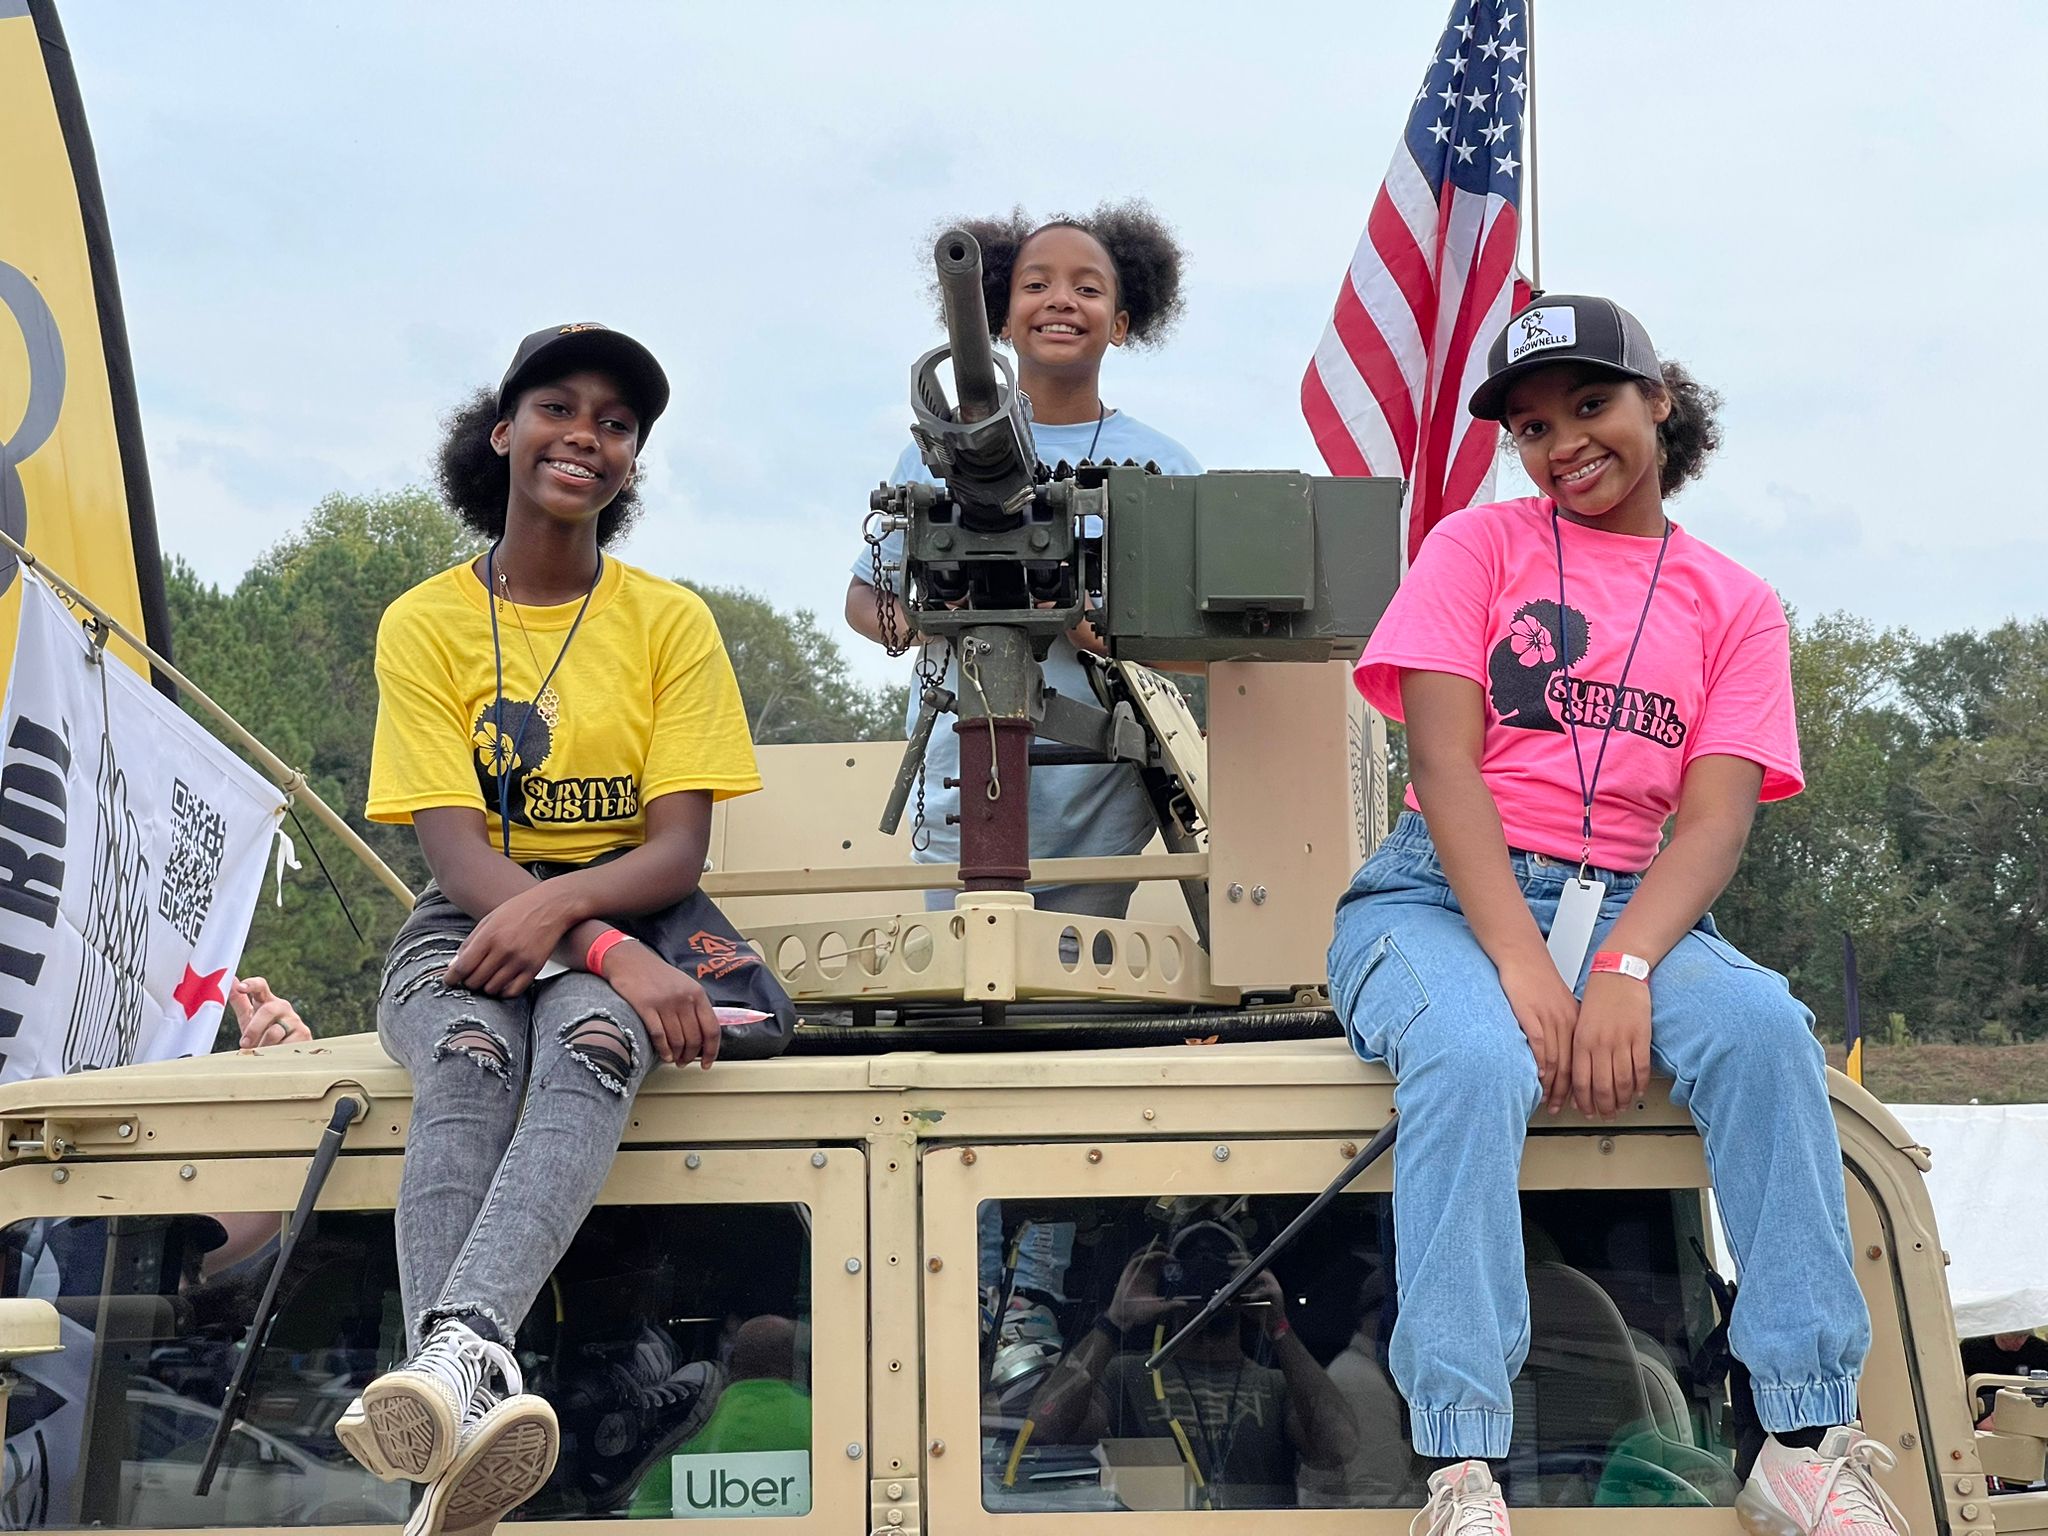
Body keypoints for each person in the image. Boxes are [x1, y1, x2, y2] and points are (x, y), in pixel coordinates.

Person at [1325, 296, 1907, 1535]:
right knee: (1476, 1052)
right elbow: (1444, 768)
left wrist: (1627, 961)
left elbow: (1711, 819)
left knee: (1762, 1032)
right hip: (1439, 895)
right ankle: (1460, 1460)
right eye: (1531, 426)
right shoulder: (1471, 551)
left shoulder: (1733, 602)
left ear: (1659, 403)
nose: (1561, 443)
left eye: (1589, 406)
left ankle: (1796, 1437)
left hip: (1633, 903)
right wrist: (1525, 966)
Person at [345, 324, 794, 1536]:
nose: (584, 437)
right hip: (472, 924)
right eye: (559, 408)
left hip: (628, 914)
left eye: (615, 423)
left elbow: (676, 850)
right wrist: (577, 933)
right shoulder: (424, 623)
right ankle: (468, 1376)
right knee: (472, 1053)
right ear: (503, 433)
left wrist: (579, 926)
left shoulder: (668, 623)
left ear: (631, 464)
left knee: (594, 1045)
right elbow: (450, 853)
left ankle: (446, 1383)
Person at [843, 200, 1199, 921]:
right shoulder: (931, 456)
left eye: (1088, 289)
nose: (1060, 301)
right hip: (957, 776)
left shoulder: (1161, 466)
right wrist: (932, 616)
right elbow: (864, 600)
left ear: (1123, 325)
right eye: (1035, 285)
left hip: (1101, 780)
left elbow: (1209, 645)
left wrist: (1096, 626)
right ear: (1000, 321)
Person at [1025, 1220, 1355, 1509]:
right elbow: (1044, 1427)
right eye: (1190, 1268)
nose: (1206, 1279)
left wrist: (1278, 1325)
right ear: (1169, 1279)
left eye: (1222, 1272)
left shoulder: (1277, 1385)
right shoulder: (1128, 1376)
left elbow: (1339, 1448)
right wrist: (1115, 1321)